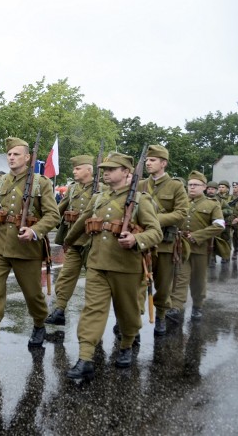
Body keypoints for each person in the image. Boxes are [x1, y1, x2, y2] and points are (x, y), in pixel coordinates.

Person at [63, 152, 162, 380]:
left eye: (111, 169)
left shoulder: (140, 200)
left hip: (126, 267)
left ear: (126, 172)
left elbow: (155, 232)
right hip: (97, 263)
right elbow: (82, 221)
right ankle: (85, 358)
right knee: (92, 311)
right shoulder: (99, 198)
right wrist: (67, 241)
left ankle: (126, 346)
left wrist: (136, 240)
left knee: (127, 312)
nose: (105, 173)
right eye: (104, 169)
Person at [0, 137, 60, 358]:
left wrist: (34, 230)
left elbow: (53, 215)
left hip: (26, 248)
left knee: (32, 294)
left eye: (16, 154)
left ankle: (39, 324)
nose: (11, 157)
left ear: (28, 158)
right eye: (9, 154)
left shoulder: (41, 183)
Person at [137, 145, 188, 335]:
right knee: (138, 282)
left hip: (165, 244)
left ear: (163, 163)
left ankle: (160, 316)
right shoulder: (141, 184)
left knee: (163, 284)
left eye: (153, 160)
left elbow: (182, 213)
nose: (148, 163)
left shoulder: (175, 186)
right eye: (147, 160)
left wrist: (153, 220)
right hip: (143, 243)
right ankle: (134, 320)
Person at [46, 155, 98, 326]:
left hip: (93, 243)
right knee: (65, 277)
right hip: (74, 242)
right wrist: (42, 225)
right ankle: (60, 310)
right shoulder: (73, 188)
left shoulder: (101, 189)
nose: (74, 171)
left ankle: (95, 319)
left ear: (89, 170)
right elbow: (59, 209)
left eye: (77, 168)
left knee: (95, 282)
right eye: (74, 168)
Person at [168, 171, 224, 322]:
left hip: (200, 249)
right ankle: (176, 306)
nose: (191, 187)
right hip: (180, 247)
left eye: (195, 185)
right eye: (190, 184)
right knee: (180, 277)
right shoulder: (181, 202)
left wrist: (197, 236)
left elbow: (219, 225)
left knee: (198, 281)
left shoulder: (212, 204)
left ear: (204, 187)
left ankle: (197, 306)